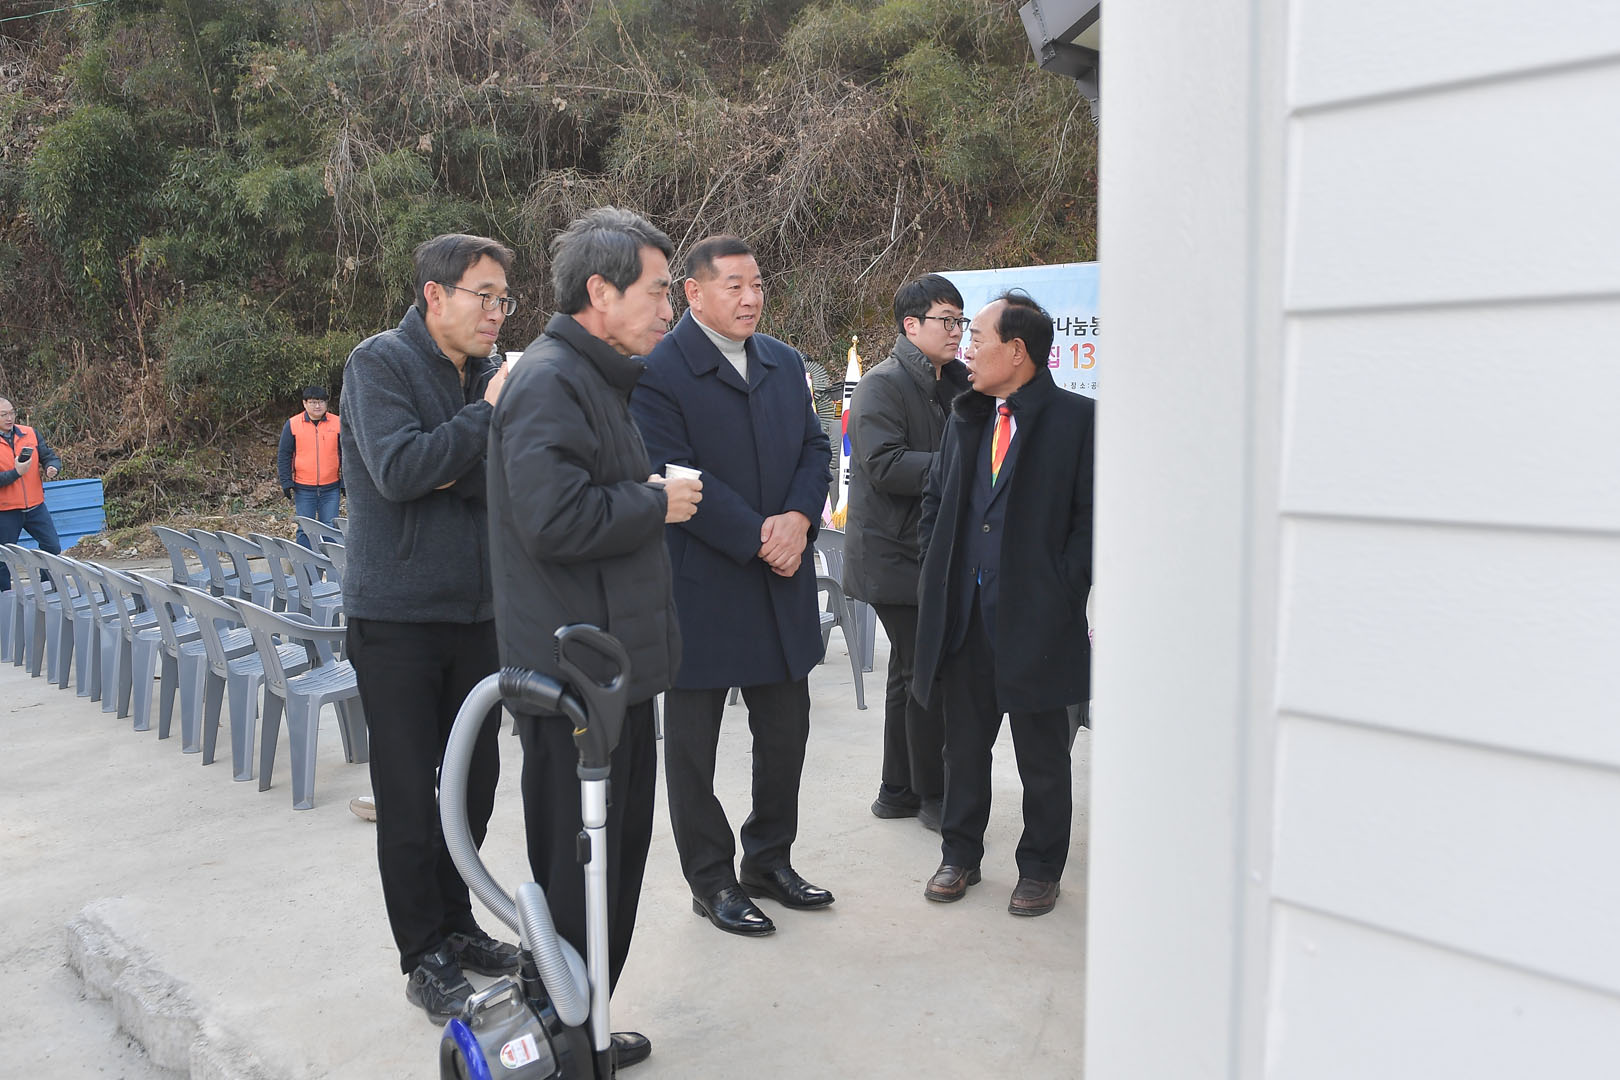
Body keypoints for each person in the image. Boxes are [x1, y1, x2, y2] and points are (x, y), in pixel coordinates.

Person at [488, 207, 701, 1071]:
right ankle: (564, 1040)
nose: (668, 310)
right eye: (658, 292)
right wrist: (655, 501)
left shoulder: (596, 380)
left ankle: (588, 1030)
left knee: (609, 872)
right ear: (600, 292)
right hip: (572, 685)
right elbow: (552, 519)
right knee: (578, 876)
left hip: (609, 677)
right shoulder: (550, 381)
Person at [630, 235, 834, 938]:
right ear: (693, 292)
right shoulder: (659, 371)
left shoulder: (782, 361)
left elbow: (814, 447)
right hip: (704, 582)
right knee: (693, 744)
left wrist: (800, 519)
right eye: (734, 286)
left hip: (780, 578)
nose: (751, 299)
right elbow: (673, 472)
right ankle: (710, 877)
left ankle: (769, 860)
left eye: (758, 285)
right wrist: (759, 536)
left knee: (786, 729)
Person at [339, 233, 517, 1022]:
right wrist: (482, 422)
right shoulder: (379, 364)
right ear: (434, 295)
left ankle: (458, 922)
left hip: (478, 614)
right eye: (484, 296)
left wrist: (456, 454)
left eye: (504, 299)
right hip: (398, 620)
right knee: (410, 799)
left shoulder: (483, 374)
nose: (496, 312)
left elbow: (497, 477)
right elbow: (402, 470)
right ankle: (423, 954)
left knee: (474, 787)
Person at [912, 292, 1094, 918]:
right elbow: (936, 501)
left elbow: (1092, 521)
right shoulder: (967, 416)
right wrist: (936, 570)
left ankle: (1040, 869)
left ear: (1017, 351)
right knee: (963, 749)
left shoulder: (1078, 422)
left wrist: (1062, 588)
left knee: (1043, 756)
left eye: (978, 337)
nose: (967, 348)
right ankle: (959, 854)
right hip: (966, 616)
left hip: (1038, 620)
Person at [844, 274, 972, 832]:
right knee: (928, 673)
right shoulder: (883, 384)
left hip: (930, 552)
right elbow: (885, 465)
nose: (957, 331)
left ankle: (896, 790)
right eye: (947, 320)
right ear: (911, 325)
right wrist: (960, 466)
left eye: (961, 321)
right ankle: (933, 795)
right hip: (895, 555)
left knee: (907, 672)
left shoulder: (957, 383)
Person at [0, 397, 63, 592]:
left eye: (12, 413)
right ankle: (5, 597)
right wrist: (16, 473)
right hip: (6, 510)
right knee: (3, 558)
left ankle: (48, 589)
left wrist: (52, 467)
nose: (9, 418)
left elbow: (49, 456)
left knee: (52, 547)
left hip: (36, 506)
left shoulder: (29, 433)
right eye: (3, 415)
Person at [276, 386, 343, 548]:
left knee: (330, 528)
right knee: (305, 529)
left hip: (331, 488)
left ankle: (330, 563)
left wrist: (346, 481)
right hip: (304, 488)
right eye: (313, 402)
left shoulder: (338, 423)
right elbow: (284, 455)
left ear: (326, 403)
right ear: (304, 403)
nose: (317, 406)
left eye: (321, 402)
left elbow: (347, 455)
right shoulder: (293, 424)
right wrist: (286, 481)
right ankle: (306, 563)